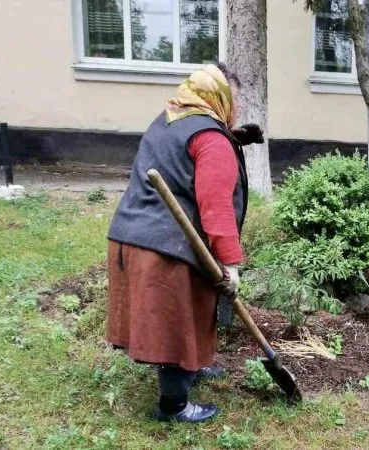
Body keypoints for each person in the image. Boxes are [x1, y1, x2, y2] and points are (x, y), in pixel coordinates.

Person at [105, 63, 264, 423]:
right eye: (231, 97)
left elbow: (180, 156)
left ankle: (194, 364)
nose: (234, 105)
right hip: (164, 247)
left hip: (130, 236)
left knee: (191, 312)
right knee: (178, 323)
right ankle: (174, 406)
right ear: (216, 96)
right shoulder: (210, 139)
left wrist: (232, 138)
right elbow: (216, 206)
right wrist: (231, 264)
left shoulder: (168, 119)